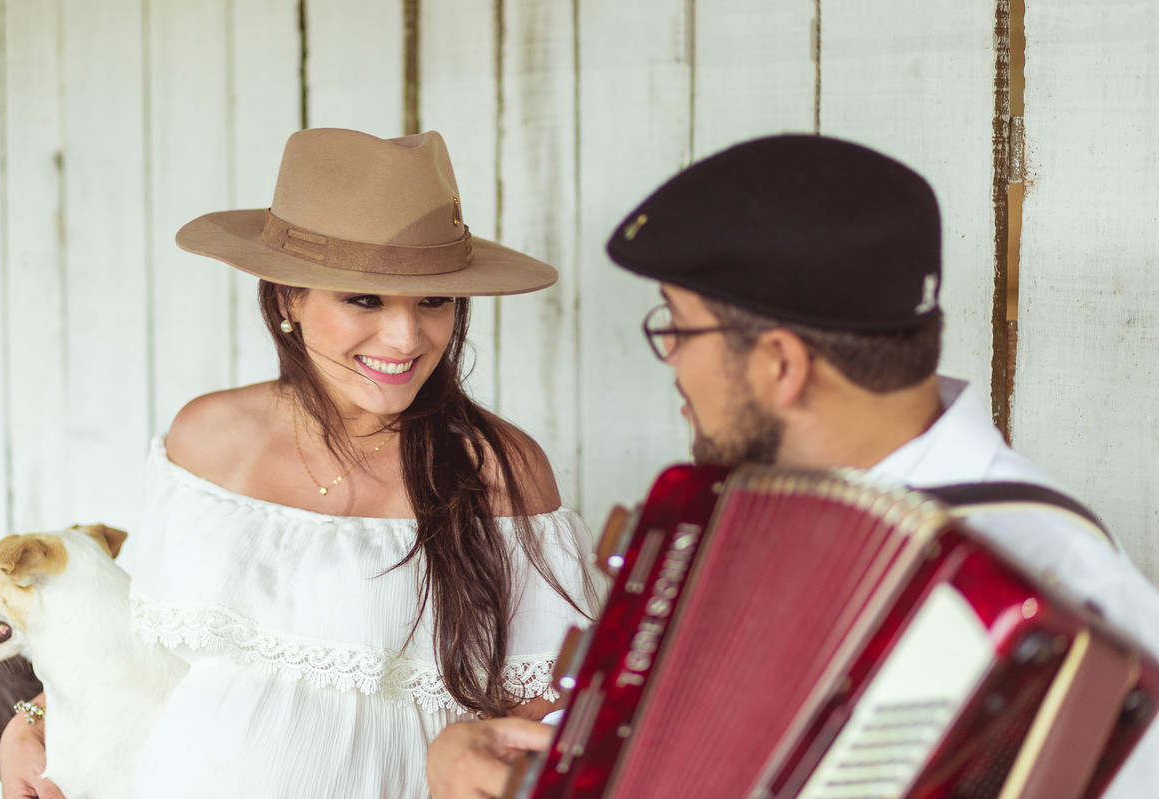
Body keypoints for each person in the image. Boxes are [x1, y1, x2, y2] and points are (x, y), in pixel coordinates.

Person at [425, 134, 1159, 799]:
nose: (670, 358)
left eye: (678, 327)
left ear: (780, 364)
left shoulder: (1074, 612)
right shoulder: (753, 527)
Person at [0, 128, 602, 798]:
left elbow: (553, 705)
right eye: (364, 298)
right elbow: (149, 645)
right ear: (289, 297)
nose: (406, 337)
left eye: (433, 300)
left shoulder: (497, 470)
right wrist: (30, 721)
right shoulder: (207, 439)